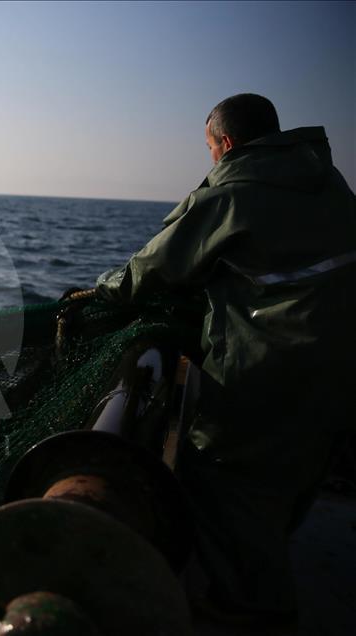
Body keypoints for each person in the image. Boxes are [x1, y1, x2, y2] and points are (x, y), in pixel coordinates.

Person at [94, 93, 356, 629]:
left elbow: (153, 266)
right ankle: (264, 572)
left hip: (268, 369)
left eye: (212, 150)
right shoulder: (331, 184)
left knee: (219, 472)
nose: (213, 160)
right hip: (341, 369)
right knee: (297, 470)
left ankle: (257, 606)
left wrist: (101, 290)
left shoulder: (232, 193)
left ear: (227, 144)